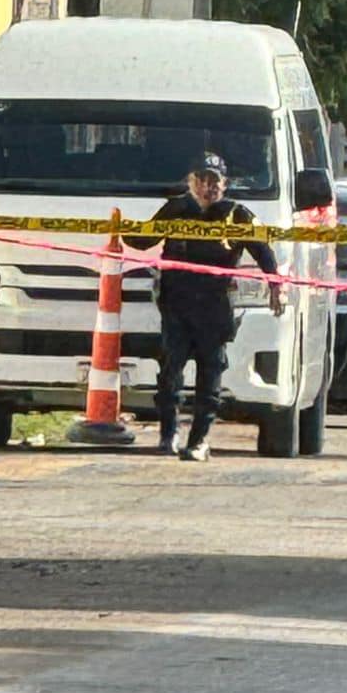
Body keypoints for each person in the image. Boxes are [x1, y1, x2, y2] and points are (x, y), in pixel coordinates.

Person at [128, 154, 283, 462]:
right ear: (191, 181)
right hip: (177, 303)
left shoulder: (236, 215)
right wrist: (116, 230)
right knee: (170, 370)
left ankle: (199, 440)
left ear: (225, 185)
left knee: (210, 373)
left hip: (214, 305)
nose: (208, 186)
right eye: (202, 179)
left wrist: (275, 286)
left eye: (214, 181)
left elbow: (263, 251)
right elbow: (144, 240)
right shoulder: (176, 209)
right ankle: (168, 434)